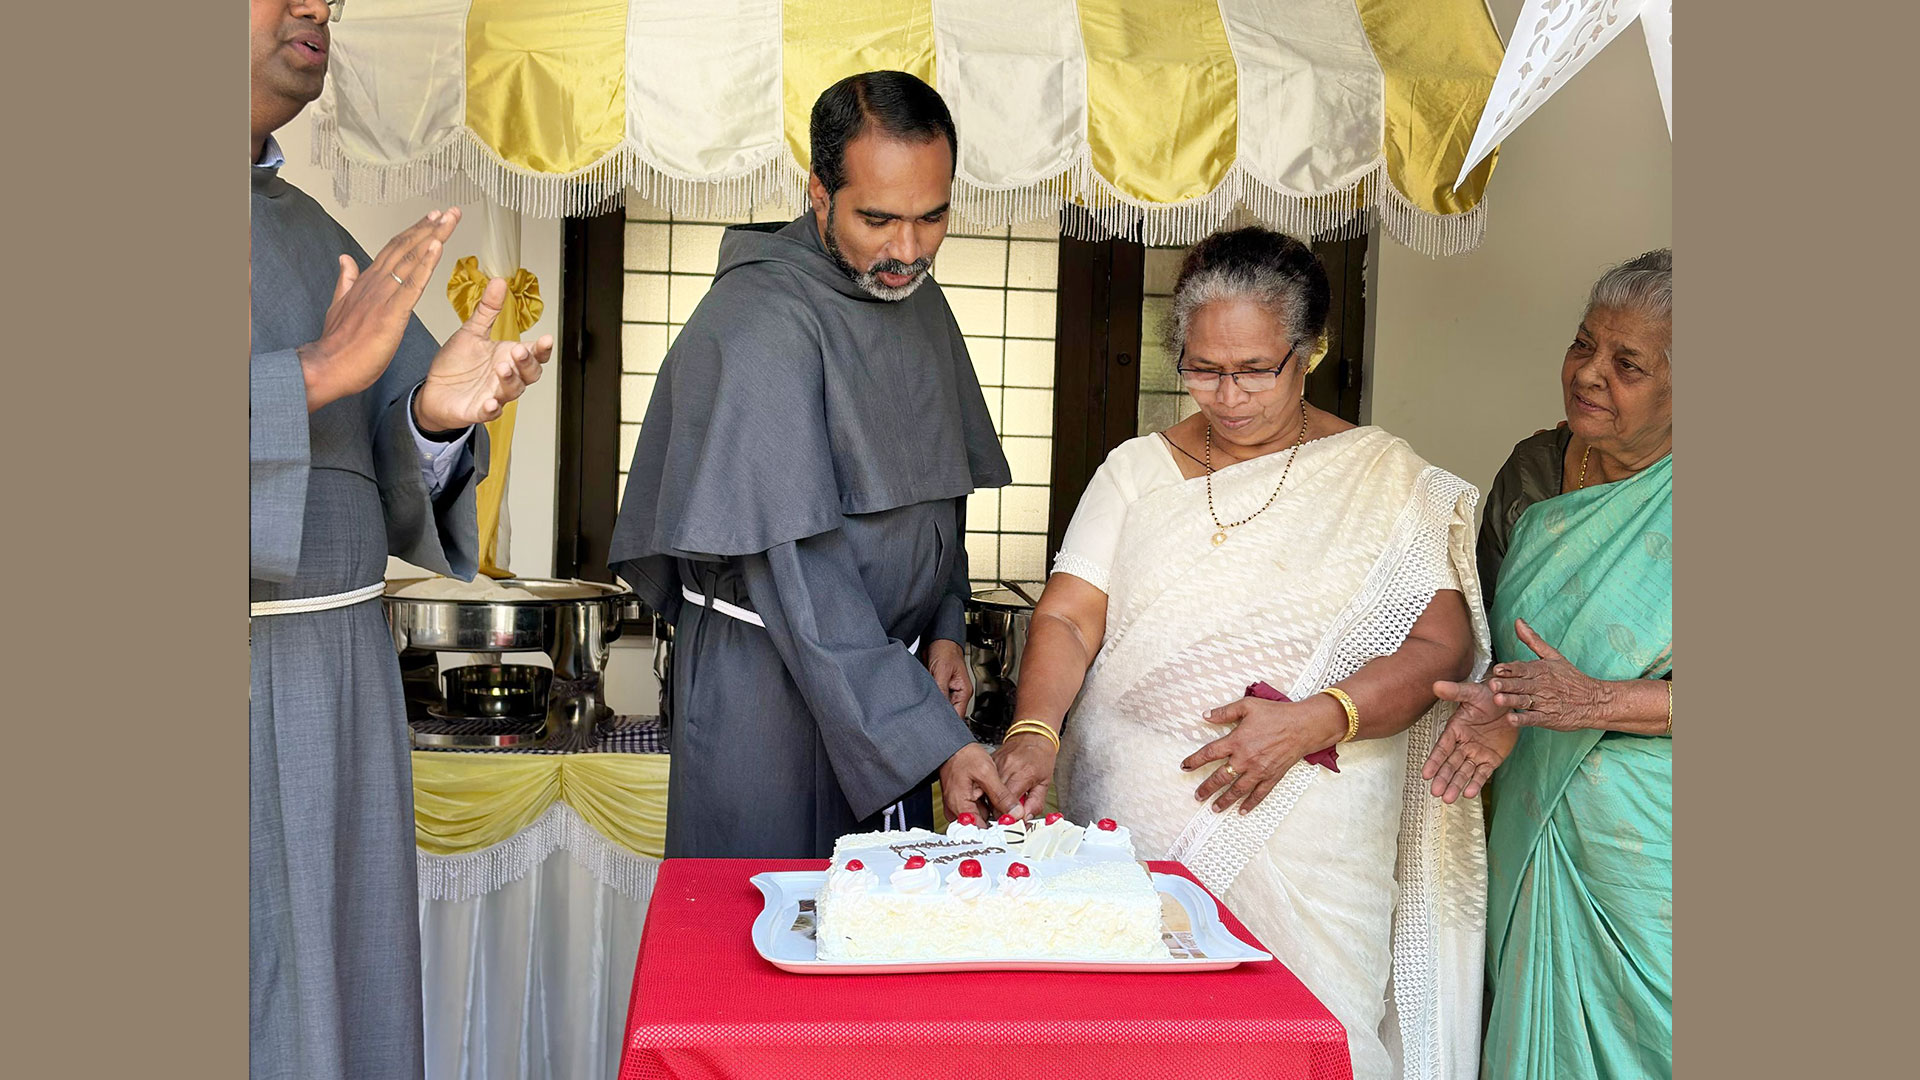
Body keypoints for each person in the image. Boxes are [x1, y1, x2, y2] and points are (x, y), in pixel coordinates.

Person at [992, 226, 1490, 1079]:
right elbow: (1072, 619)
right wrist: (1035, 727)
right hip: (1139, 811)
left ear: (1312, 351)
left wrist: (1315, 721)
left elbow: (1440, 643)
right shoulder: (1134, 472)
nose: (1229, 395)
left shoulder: (1382, 478)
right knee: (1135, 1044)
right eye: (1204, 368)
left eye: (1255, 369)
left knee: (1306, 1041)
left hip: (1315, 827)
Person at [249, 2, 553, 1077]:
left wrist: (432, 413)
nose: (315, 7)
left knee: (346, 987)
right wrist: (314, 376)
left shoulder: (309, 230)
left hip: (341, 675)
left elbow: (376, 454)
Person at [609, 71, 1016, 859]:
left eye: (933, 218)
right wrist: (930, 736)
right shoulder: (760, 321)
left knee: (877, 941)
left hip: (881, 676)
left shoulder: (909, 294)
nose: (907, 250)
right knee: (770, 936)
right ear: (819, 195)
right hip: (771, 684)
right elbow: (800, 571)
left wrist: (943, 628)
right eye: (879, 218)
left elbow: (936, 490)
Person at [1423, 249, 1674, 1080]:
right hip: (1533, 810)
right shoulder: (1535, 469)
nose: (1589, 373)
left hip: (1650, 848)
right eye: (1583, 344)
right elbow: (1495, 637)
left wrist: (1598, 699)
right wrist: (1499, 704)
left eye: (1627, 364)